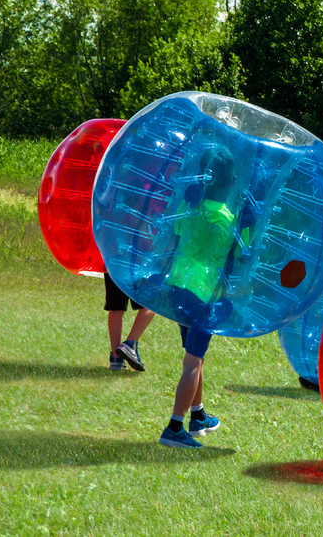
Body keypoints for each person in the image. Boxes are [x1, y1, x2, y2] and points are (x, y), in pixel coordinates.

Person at [159, 147, 241, 449]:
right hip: (204, 298)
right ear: (231, 182)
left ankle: (198, 416)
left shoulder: (190, 207)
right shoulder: (227, 221)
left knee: (197, 356)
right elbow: (239, 256)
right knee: (192, 362)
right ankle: (174, 428)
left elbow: (177, 237)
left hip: (178, 287)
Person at [104, 274, 155, 371]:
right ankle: (129, 345)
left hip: (113, 261)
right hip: (138, 263)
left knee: (115, 309)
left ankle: (116, 359)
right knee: (150, 304)